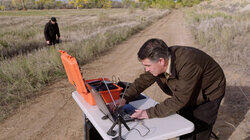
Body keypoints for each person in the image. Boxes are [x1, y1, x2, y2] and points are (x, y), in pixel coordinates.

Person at [117, 38, 226, 139]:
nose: (146, 69)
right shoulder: (160, 60)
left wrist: (147, 113)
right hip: (187, 91)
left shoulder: (189, 63)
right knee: (185, 126)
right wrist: (125, 98)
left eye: (148, 65)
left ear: (161, 61)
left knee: (200, 129)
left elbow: (180, 100)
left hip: (209, 92)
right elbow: (142, 81)